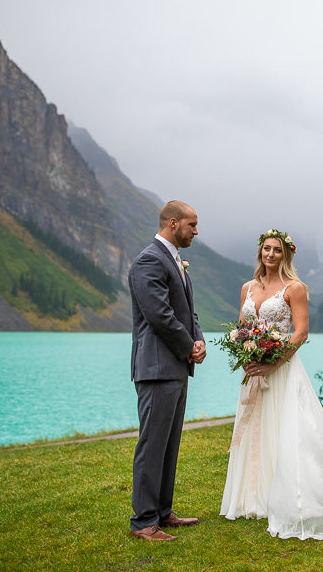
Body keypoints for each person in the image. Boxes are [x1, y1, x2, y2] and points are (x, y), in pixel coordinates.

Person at [220, 229, 323, 539]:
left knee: (287, 428)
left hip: (282, 370)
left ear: (286, 255)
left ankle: (291, 494)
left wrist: (273, 361)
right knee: (256, 427)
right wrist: (244, 353)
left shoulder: (295, 288)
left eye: (277, 250)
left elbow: (300, 333)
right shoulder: (246, 288)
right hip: (253, 371)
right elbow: (242, 328)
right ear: (260, 252)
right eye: (266, 249)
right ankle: (254, 497)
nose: (270, 255)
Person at [128, 200, 207, 541]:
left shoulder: (175, 260)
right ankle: (143, 521)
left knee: (169, 443)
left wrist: (199, 339)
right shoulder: (149, 260)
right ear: (173, 223)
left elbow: (188, 312)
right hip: (157, 367)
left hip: (175, 366)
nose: (196, 231)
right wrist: (187, 345)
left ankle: (162, 511)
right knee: (152, 442)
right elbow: (159, 314)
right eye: (192, 224)